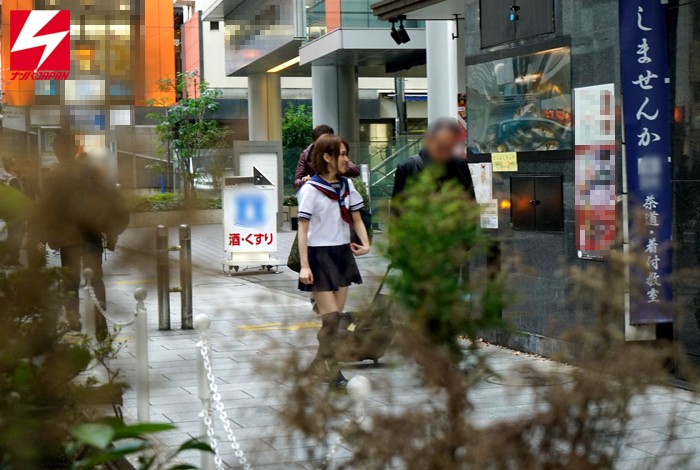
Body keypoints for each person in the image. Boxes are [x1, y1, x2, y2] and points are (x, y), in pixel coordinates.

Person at [36, 133, 129, 339]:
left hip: (67, 238)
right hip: (91, 234)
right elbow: (110, 198)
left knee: (70, 281)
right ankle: (100, 323)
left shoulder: (54, 175)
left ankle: (74, 322)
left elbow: (47, 209)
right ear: (74, 150)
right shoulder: (91, 170)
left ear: (57, 152)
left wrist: (42, 236)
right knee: (96, 280)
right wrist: (111, 230)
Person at [297, 134, 370, 388]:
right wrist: (304, 265)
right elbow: (302, 229)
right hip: (319, 256)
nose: (346, 159)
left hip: (341, 254)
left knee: (335, 320)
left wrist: (366, 244)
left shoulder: (347, 186)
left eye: (346, 154)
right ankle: (333, 372)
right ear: (327, 157)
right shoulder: (310, 189)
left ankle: (318, 365)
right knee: (330, 321)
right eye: (342, 154)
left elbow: (356, 218)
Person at [392, 117, 475, 198]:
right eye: (441, 148)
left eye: (450, 150)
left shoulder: (461, 166)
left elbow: (471, 203)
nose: (445, 155)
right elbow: (398, 205)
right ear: (428, 140)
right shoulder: (407, 168)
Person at [294, 125, 360, 189]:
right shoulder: (306, 155)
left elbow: (355, 169)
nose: (346, 159)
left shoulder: (346, 186)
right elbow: (297, 180)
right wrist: (305, 181)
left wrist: (334, 169)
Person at [0, 154, 26, 266]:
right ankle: (12, 259)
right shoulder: (12, 179)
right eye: (15, 163)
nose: (17, 164)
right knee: (15, 235)